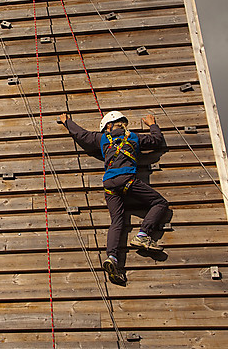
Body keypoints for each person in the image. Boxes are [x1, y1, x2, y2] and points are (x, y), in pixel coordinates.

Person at [58, 111, 169, 286]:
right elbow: (156, 141)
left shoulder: (102, 139)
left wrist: (67, 122)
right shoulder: (134, 137)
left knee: (117, 220)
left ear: (108, 127)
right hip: (128, 180)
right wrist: (152, 125)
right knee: (160, 203)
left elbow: (82, 135)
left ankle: (112, 257)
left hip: (109, 184)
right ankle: (143, 234)